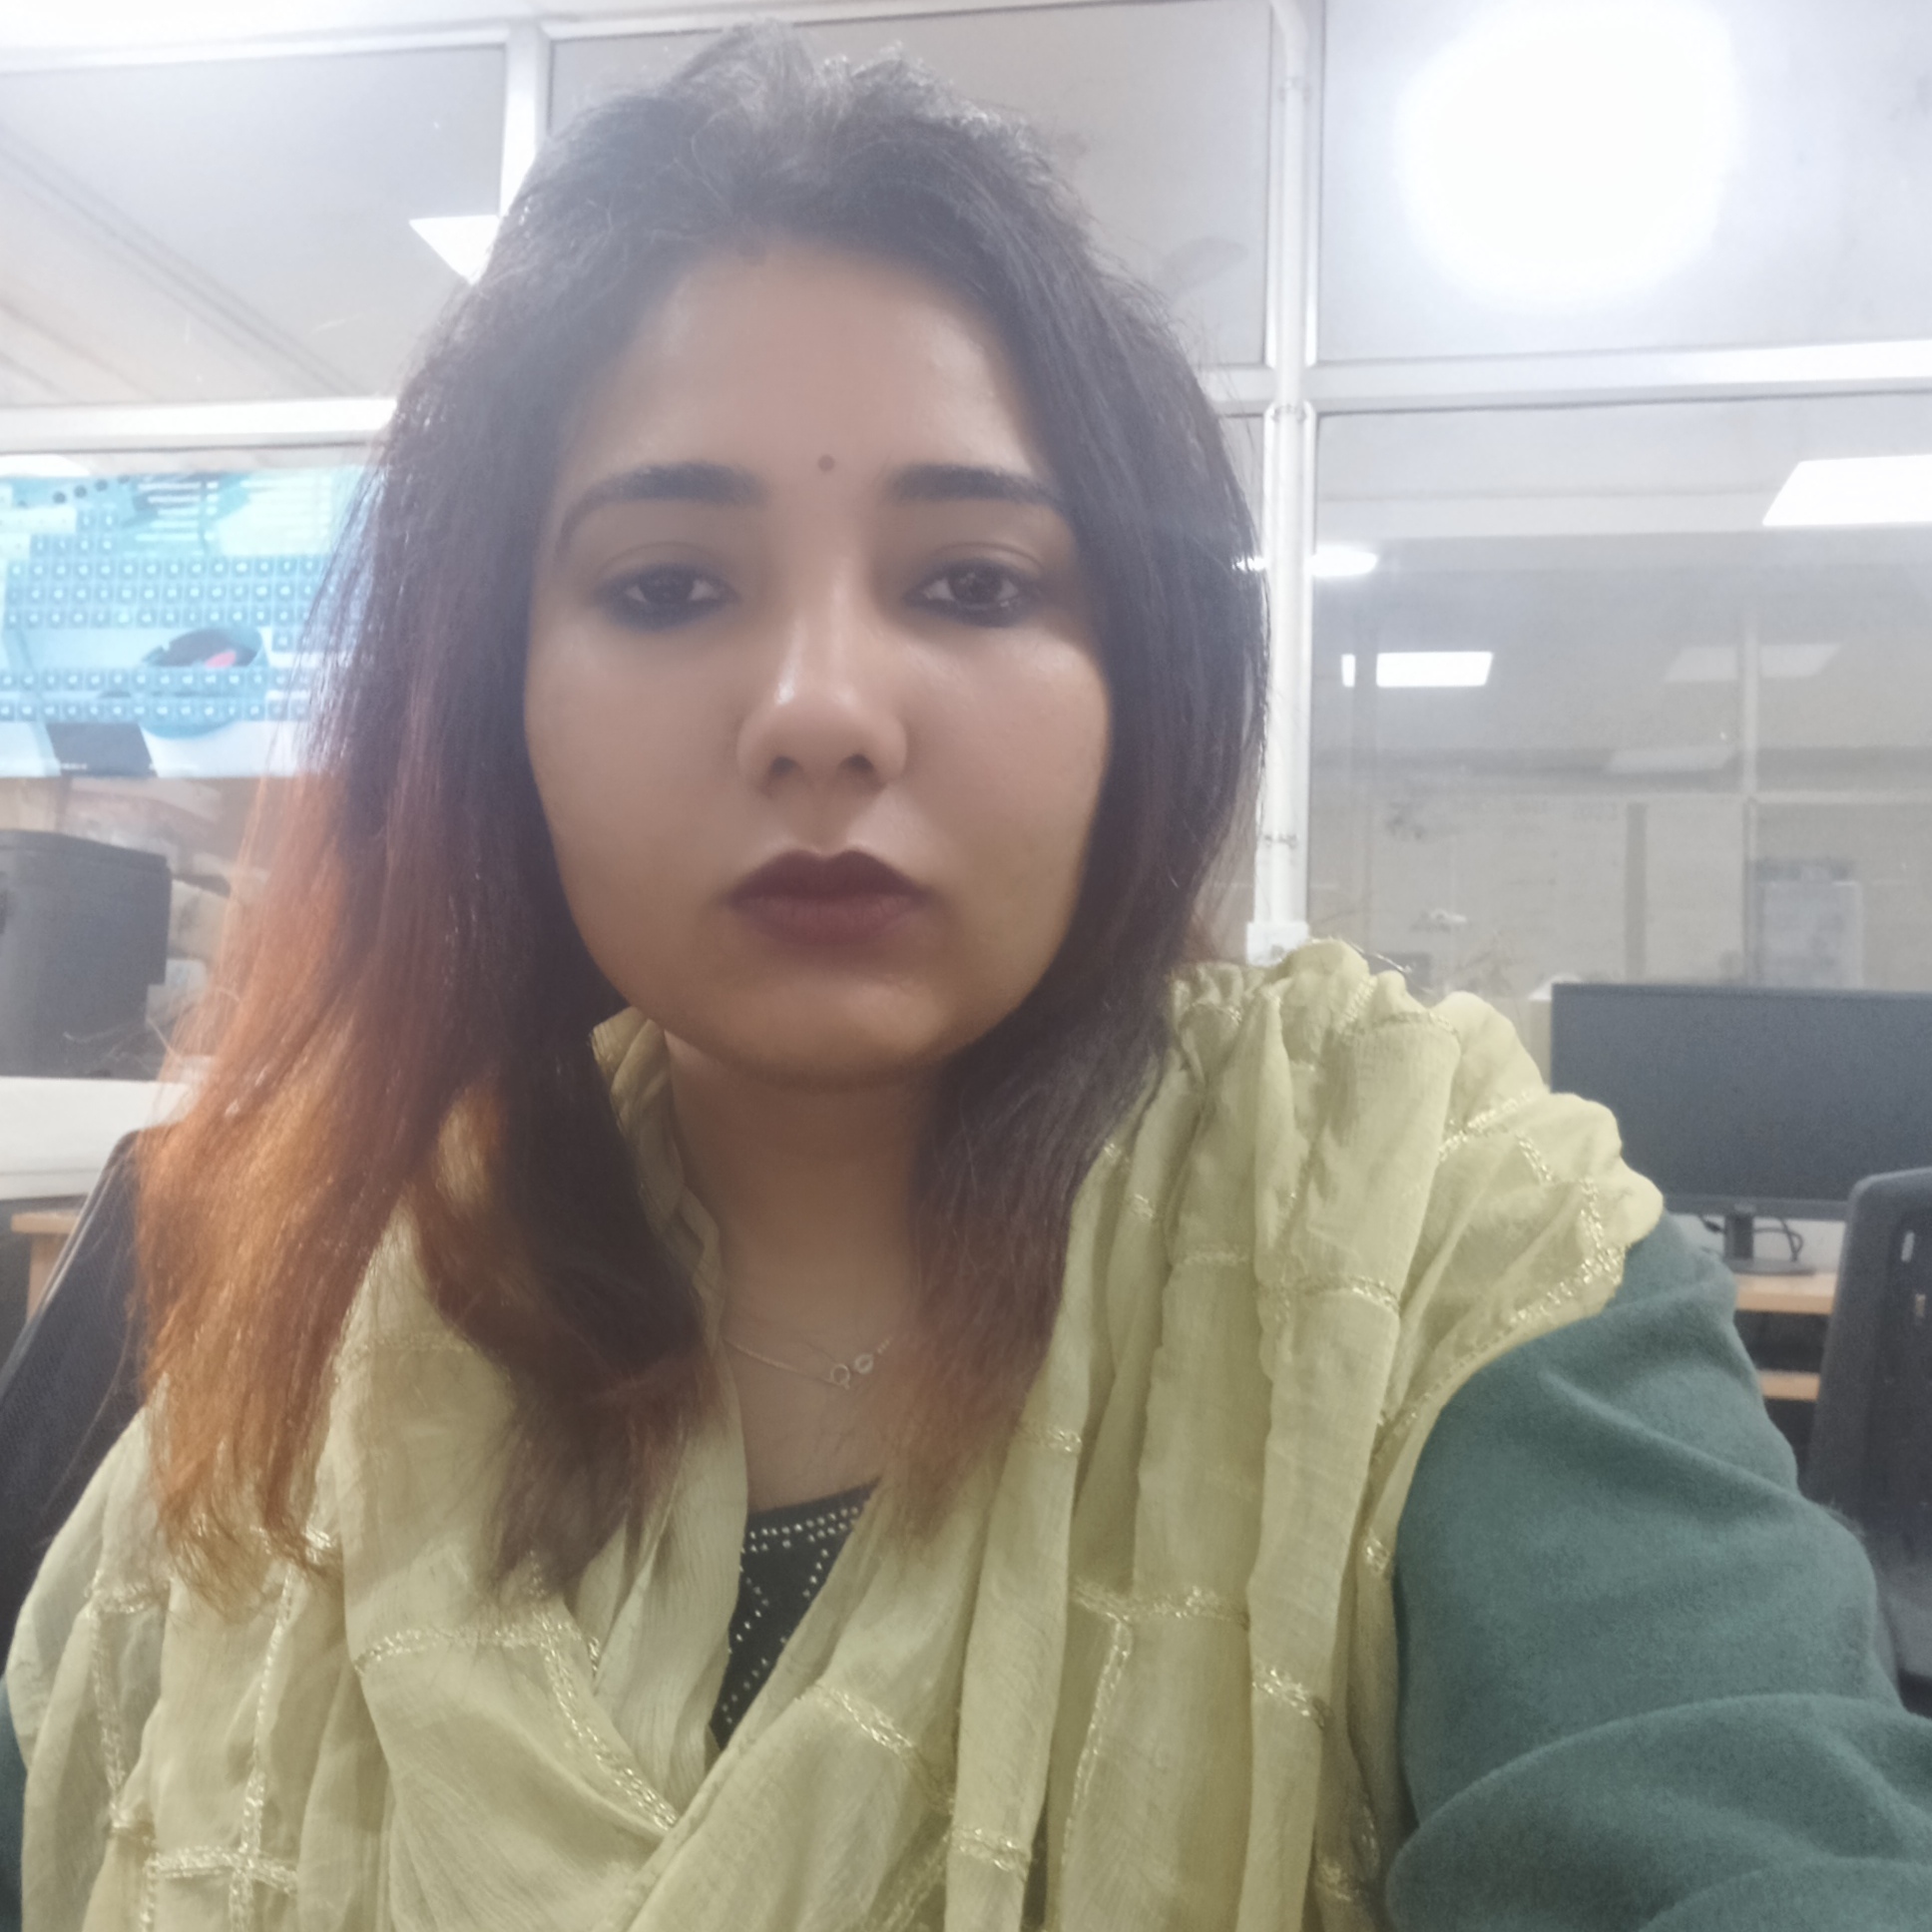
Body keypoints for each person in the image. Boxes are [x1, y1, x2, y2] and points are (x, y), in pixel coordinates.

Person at [6, 29, 1932, 1931]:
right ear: (496, 702)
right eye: (667, 586)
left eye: (975, 584)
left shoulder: (1435, 1238)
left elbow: (1741, 1818)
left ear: (1144, 680)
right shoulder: (319, 1284)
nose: (821, 710)